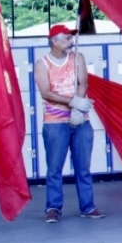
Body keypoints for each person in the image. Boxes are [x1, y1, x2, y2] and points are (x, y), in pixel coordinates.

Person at [36, 25, 102, 223]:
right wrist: (71, 102)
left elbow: (83, 83)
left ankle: (88, 207)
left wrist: (77, 108)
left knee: (83, 167)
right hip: (55, 123)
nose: (71, 42)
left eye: (71, 38)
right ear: (54, 41)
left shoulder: (77, 58)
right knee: (54, 168)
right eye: (66, 38)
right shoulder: (42, 64)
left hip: (80, 121)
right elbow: (46, 92)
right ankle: (53, 208)